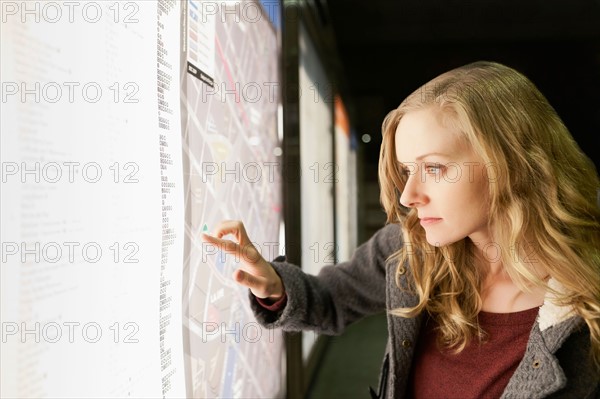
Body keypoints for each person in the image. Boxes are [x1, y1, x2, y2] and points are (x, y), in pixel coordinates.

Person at [202, 61, 600, 398]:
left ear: (511, 162)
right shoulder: (409, 248)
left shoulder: (589, 302)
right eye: (408, 170)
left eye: (434, 168)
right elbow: (330, 300)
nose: (409, 195)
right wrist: (274, 287)